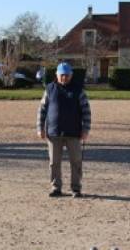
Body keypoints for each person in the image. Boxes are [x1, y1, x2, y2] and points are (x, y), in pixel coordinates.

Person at [36, 62, 91, 198]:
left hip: (74, 133)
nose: (64, 78)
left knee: (76, 162)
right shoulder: (49, 89)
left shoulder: (79, 90)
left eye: (67, 75)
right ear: (57, 75)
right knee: (54, 163)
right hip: (53, 133)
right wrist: (40, 128)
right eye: (62, 75)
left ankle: (76, 188)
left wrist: (86, 130)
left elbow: (86, 111)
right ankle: (56, 187)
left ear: (71, 75)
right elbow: (41, 110)